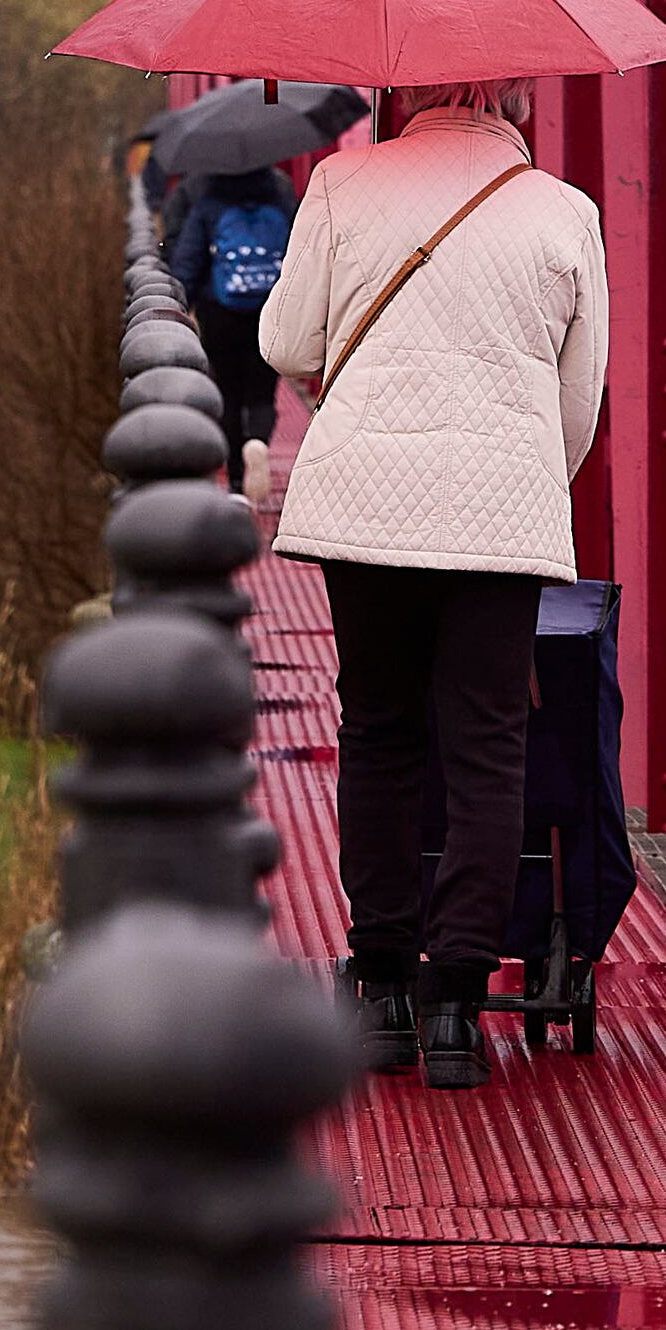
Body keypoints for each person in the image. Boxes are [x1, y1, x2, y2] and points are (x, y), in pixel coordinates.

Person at [255, 78, 606, 1091]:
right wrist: (524, 479)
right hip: (499, 513)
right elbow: (574, 403)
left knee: (377, 732)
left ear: (404, 95)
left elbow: (285, 344)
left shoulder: (342, 180)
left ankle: (379, 994)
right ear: (513, 104)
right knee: (486, 747)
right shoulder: (559, 210)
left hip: (366, 503)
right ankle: (456, 1004)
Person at [157, 155, 295, 483]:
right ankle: (258, 441)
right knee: (263, 391)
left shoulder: (206, 198)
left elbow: (188, 260)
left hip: (219, 310)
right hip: (268, 308)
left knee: (228, 393)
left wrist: (180, 305)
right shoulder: (280, 192)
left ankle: (235, 477)